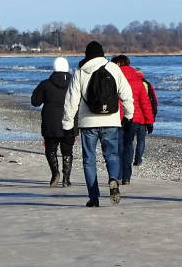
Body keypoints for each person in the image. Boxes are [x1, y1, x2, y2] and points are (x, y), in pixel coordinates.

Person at [62, 41, 134, 207]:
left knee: (89, 160)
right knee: (112, 155)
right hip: (111, 120)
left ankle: (93, 197)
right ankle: (113, 179)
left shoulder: (80, 72)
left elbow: (71, 101)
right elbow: (126, 93)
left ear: (86, 55)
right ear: (102, 53)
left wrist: (67, 125)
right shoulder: (114, 68)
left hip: (88, 123)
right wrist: (129, 115)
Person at [31, 57, 76, 186]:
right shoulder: (74, 83)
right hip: (70, 120)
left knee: (51, 150)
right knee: (67, 151)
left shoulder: (45, 84)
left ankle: (55, 173)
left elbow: (35, 102)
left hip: (50, 122)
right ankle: (66, 179)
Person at [111, 55, 155, 185]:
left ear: (118, 63)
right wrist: (149, 121)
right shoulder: (138, 81)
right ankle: (127, 177)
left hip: (117, 117)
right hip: (135, 118)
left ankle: (117, 175)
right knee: (128, 146)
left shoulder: (114, 78)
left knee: (118, 147)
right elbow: (145, 103)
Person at [133, 67, 158, 167]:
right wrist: (151, 119)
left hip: (131, 117)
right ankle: (138, 159)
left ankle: (127, 157)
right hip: (143, 118)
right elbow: (154, 102)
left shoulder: (129, 83)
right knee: (141, 140)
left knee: (128, 140)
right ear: (142, 74)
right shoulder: (147, 84)